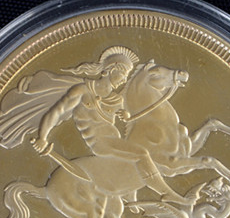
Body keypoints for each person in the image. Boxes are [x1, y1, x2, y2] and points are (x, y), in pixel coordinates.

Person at [32, 46, 186, 204]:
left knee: (139, 153)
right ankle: (166, 193)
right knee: (142, 154)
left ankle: (130, 193)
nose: (124, 80)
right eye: (123, 74)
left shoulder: (117, 99)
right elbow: (56, 112)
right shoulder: (82, 91)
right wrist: (42, 137)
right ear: (112, 70)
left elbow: (129, 115)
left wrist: (126, 116)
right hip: (101, 143)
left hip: (114, 140)